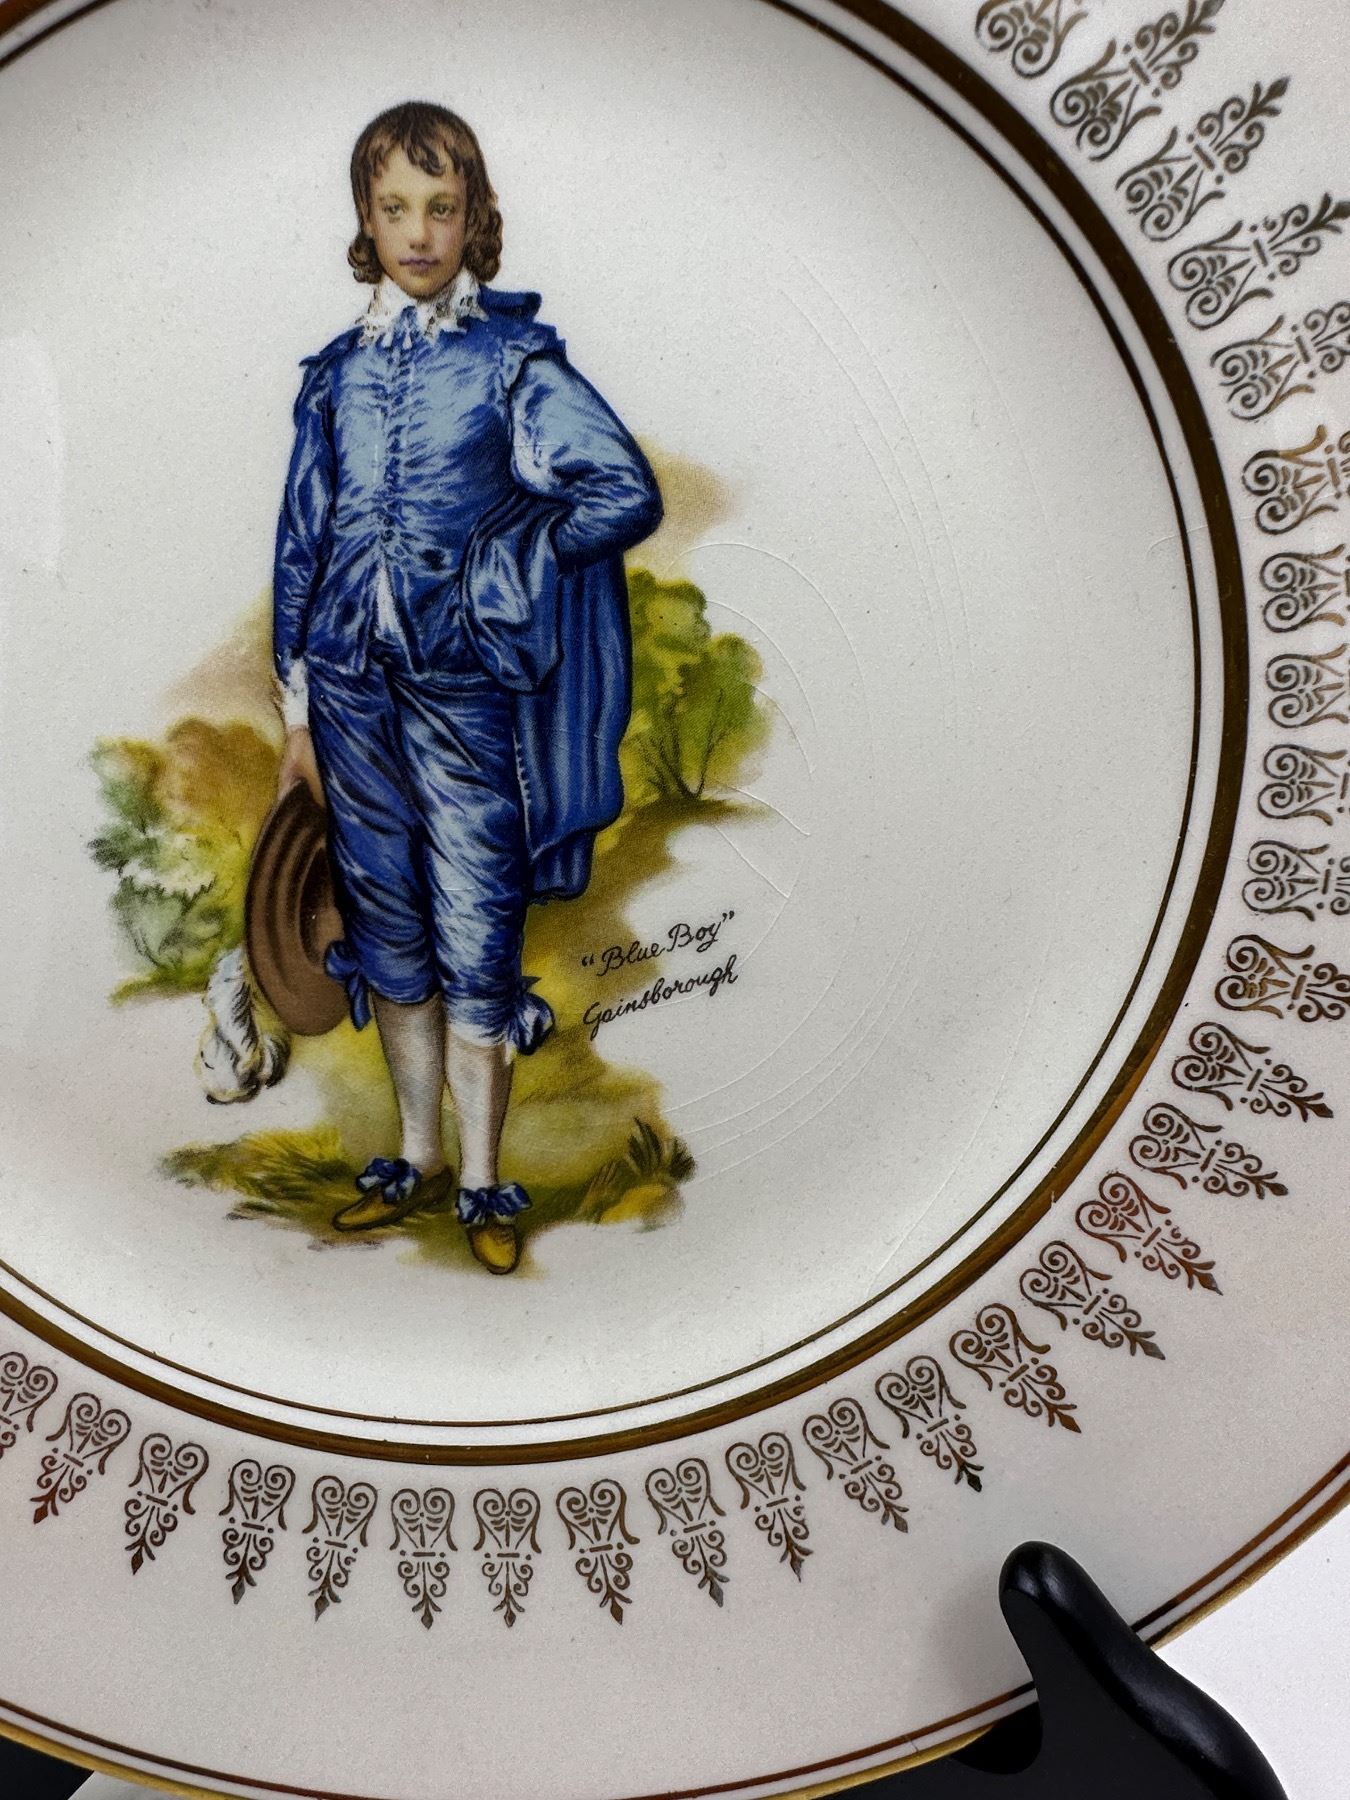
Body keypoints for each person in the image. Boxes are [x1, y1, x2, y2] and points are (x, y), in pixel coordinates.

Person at [272, 100, 662, 1274]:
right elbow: (301, 543)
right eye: (394, 207)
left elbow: (621, 490)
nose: (417, 232)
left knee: (477, 921)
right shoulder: (337, 375)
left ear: (474, 217)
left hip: (462, 690)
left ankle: (486, 1182)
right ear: (365, 217)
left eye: (440, 208)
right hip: (348, 689)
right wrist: (296, 715)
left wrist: (510, 561)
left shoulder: (511, 363)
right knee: (386, 919)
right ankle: (415, 1158)